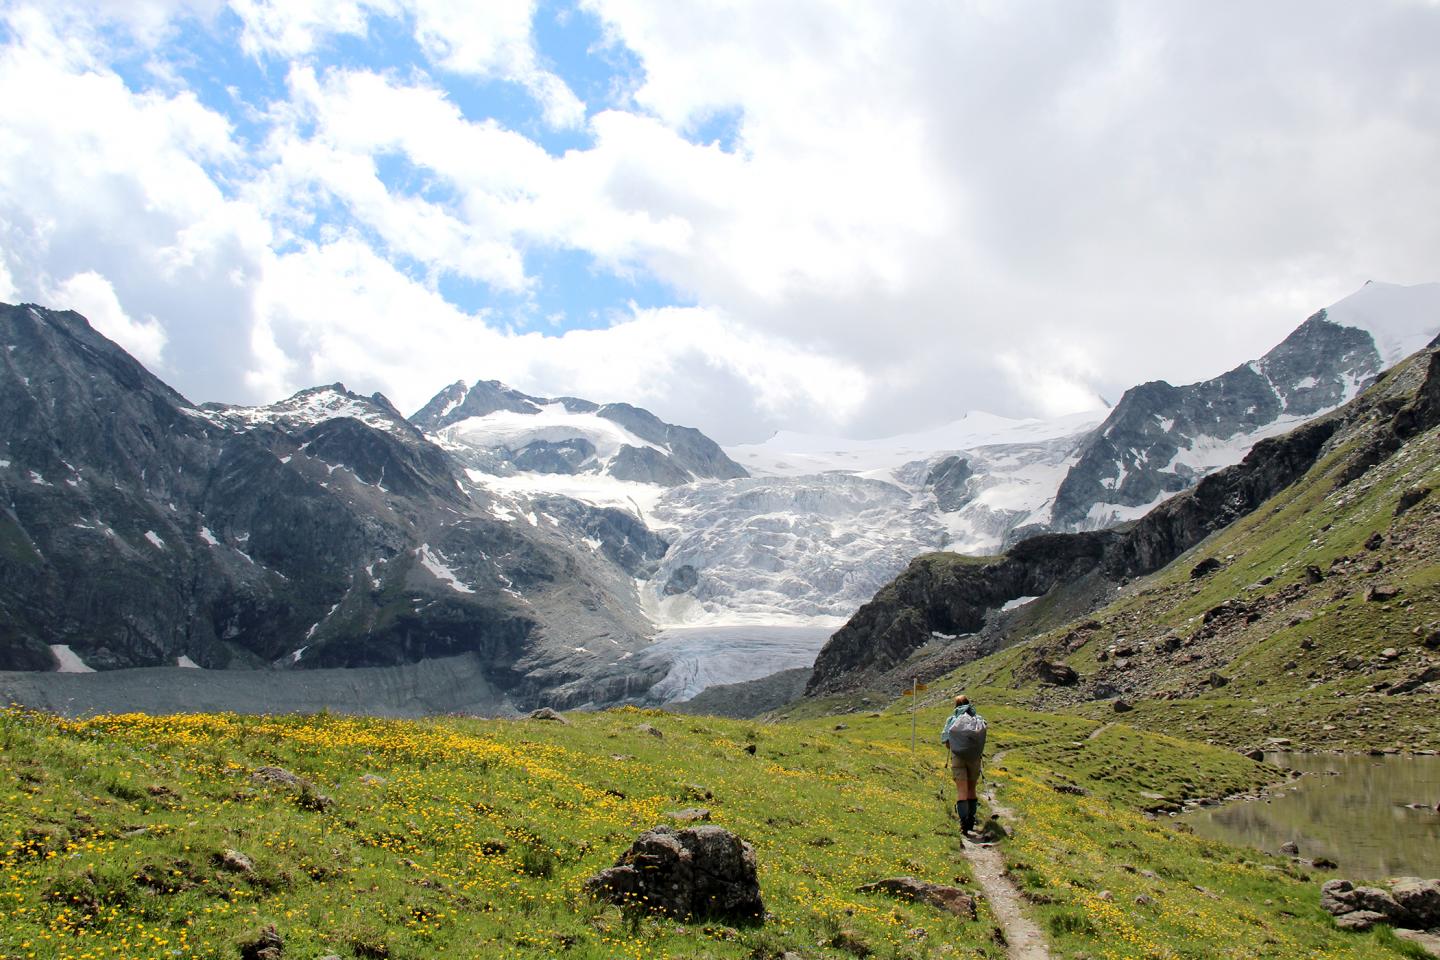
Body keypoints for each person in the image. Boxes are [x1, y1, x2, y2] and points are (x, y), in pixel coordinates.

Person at [940, 694, 986, 833]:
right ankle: (971, 820)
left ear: (956, 705)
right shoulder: (978, 719)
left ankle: (963, 823)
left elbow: (946, 741)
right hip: (974, 759)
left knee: (962, 790)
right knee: (972, 789)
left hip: (958, 758)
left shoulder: (952, 719)